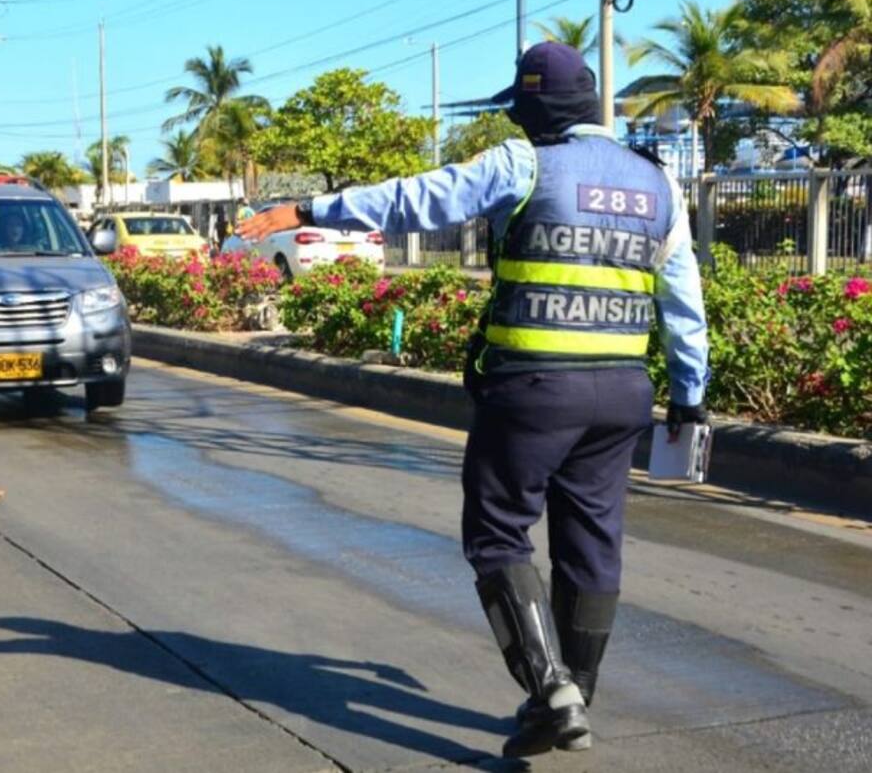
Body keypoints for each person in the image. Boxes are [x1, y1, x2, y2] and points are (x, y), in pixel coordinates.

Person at [238, 42, 709, 759]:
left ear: (536, 111)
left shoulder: (525, 164)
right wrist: (691, 397)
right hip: (621, 395)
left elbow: (413, 199)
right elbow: (685, 303)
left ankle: (553, 688)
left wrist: (305, 209)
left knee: (496, 533)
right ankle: (569, 695)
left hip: (533, 387)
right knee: (592, 543)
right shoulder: (658, 185)